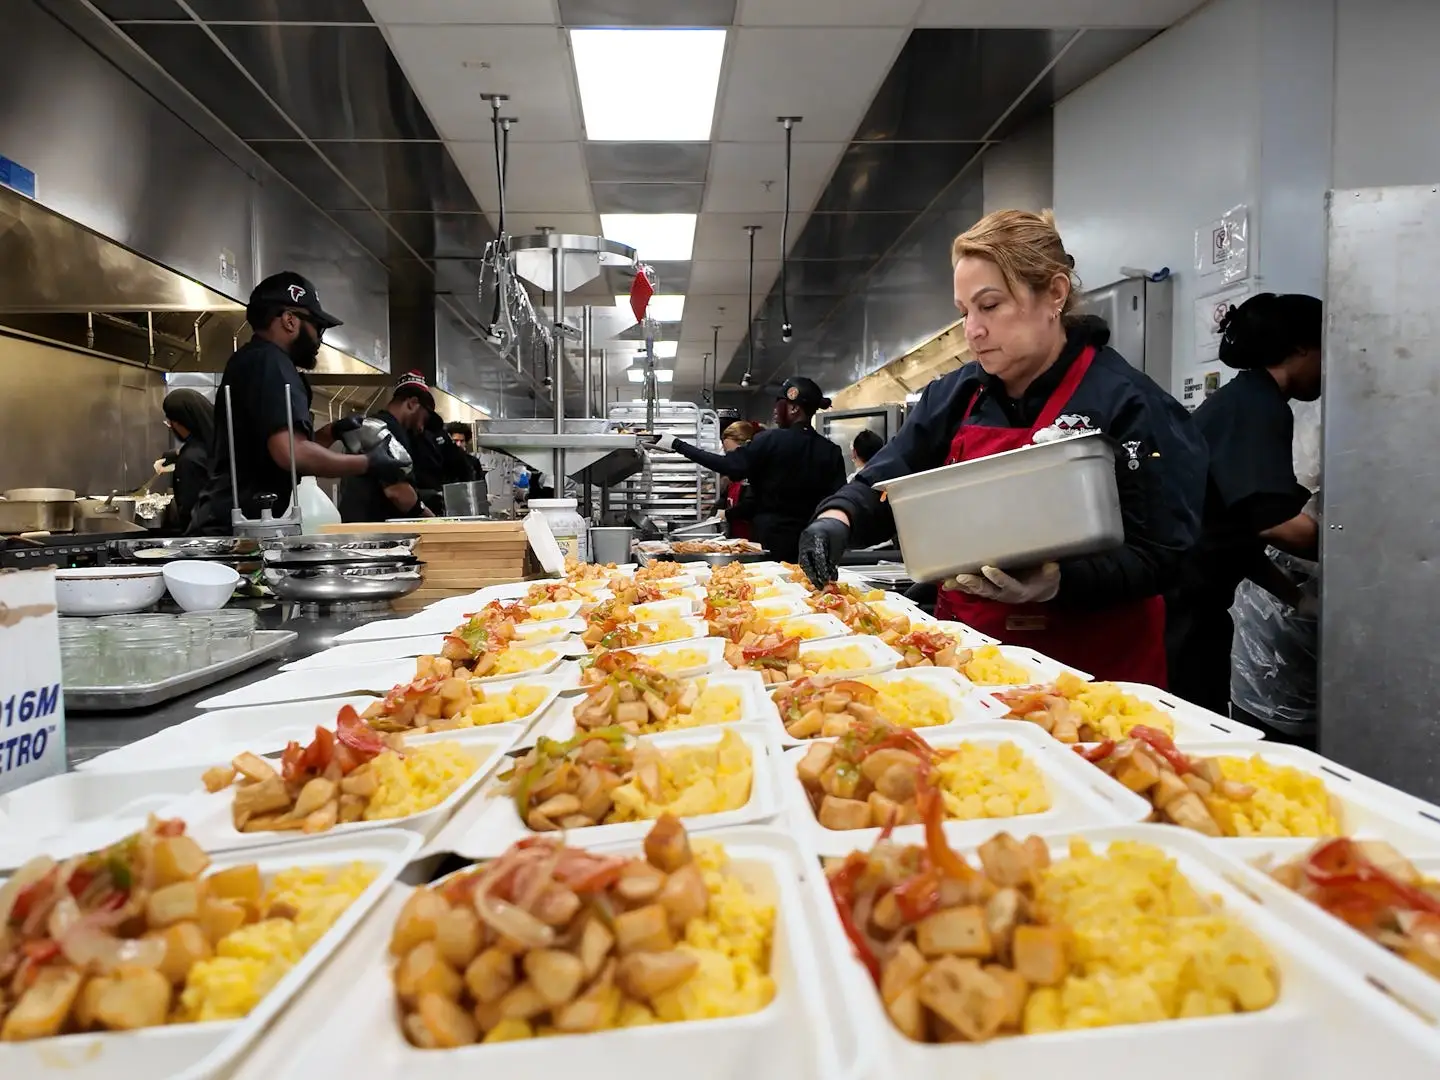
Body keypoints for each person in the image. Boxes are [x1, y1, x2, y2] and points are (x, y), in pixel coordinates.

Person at [798, 209, 1208, 685]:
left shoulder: (1129, 403)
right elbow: (894, 476)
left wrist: (1058, 581)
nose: (972, 330)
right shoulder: (955, 396)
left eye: (989, 306)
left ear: (1054, 293)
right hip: (971, 664)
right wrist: (837, 519)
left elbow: (1165, 552)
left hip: (1094, 672)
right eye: (964, 312)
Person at [1165, 293, 1322, 716]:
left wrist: (1298, 597)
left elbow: (1239, 533)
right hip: (1184, 609)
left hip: (1192, 601)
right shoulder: (1259, 408)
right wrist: (1353, 554)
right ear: (1304, 347)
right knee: (1193, 723)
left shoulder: (1242, 400)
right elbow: (1273, 524)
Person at [188, 272, 407, 534]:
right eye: (317, 326)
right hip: (236, 532)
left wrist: (332, 432)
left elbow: (283, 449)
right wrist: (367, 463)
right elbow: (292, 453)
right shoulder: (271, 364)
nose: (319, 339)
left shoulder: (253, 360)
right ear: (290, 321)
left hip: (235, 524)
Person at [645, 378, 846, 561]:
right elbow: (838, 500)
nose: (775, 410)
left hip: (770, 544)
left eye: (779, 403)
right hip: (811, 544)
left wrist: (677, 445)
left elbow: (729, 466)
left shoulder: (770, 440)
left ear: (793, 408)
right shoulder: (831, 451)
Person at [337, 375, 434, 522]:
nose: (422, 428)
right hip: (371, 531)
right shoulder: (387, 432)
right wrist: (431, 519)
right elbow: (397, 492)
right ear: (412, 403)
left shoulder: (376, 424)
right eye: (425, 418)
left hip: (358, 524)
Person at [160, 388, 214, 534]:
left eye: (170, 420)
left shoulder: (190, 460)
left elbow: (190, 512)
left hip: (203, 539)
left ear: (178, 422)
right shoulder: (219, 445)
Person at [711, 421, 760, 540]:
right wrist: (714, 514)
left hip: (753, 538)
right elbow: (723, 500)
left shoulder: (757, 474)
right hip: (735, 538)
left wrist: (726, 514)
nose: (730, 459)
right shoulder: (732, 477)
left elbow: (750, 506)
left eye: (731, 453)